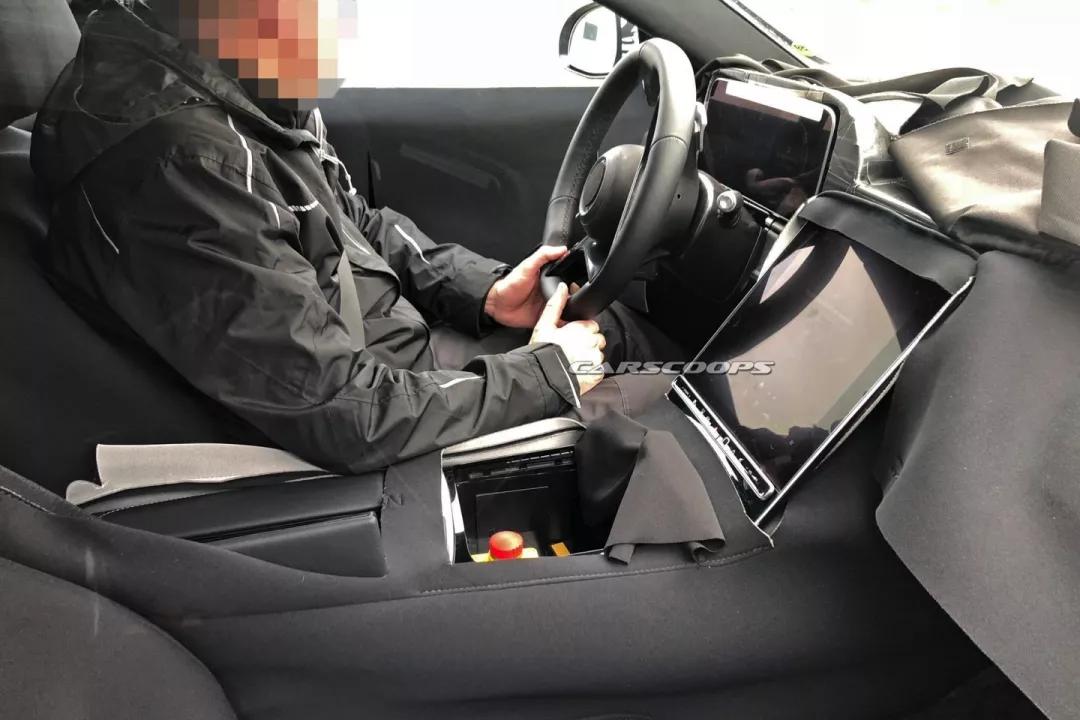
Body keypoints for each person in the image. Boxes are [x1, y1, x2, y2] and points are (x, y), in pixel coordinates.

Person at [32, 0, 681, 475]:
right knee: (655, 396)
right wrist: (546, 375)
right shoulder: (181, 167)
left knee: (617, 332)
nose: (342, 25)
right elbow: (340, 409)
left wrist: (483, 293)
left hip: (384, 365)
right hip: (368, 421)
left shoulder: (241, 93)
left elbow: (355, 222)